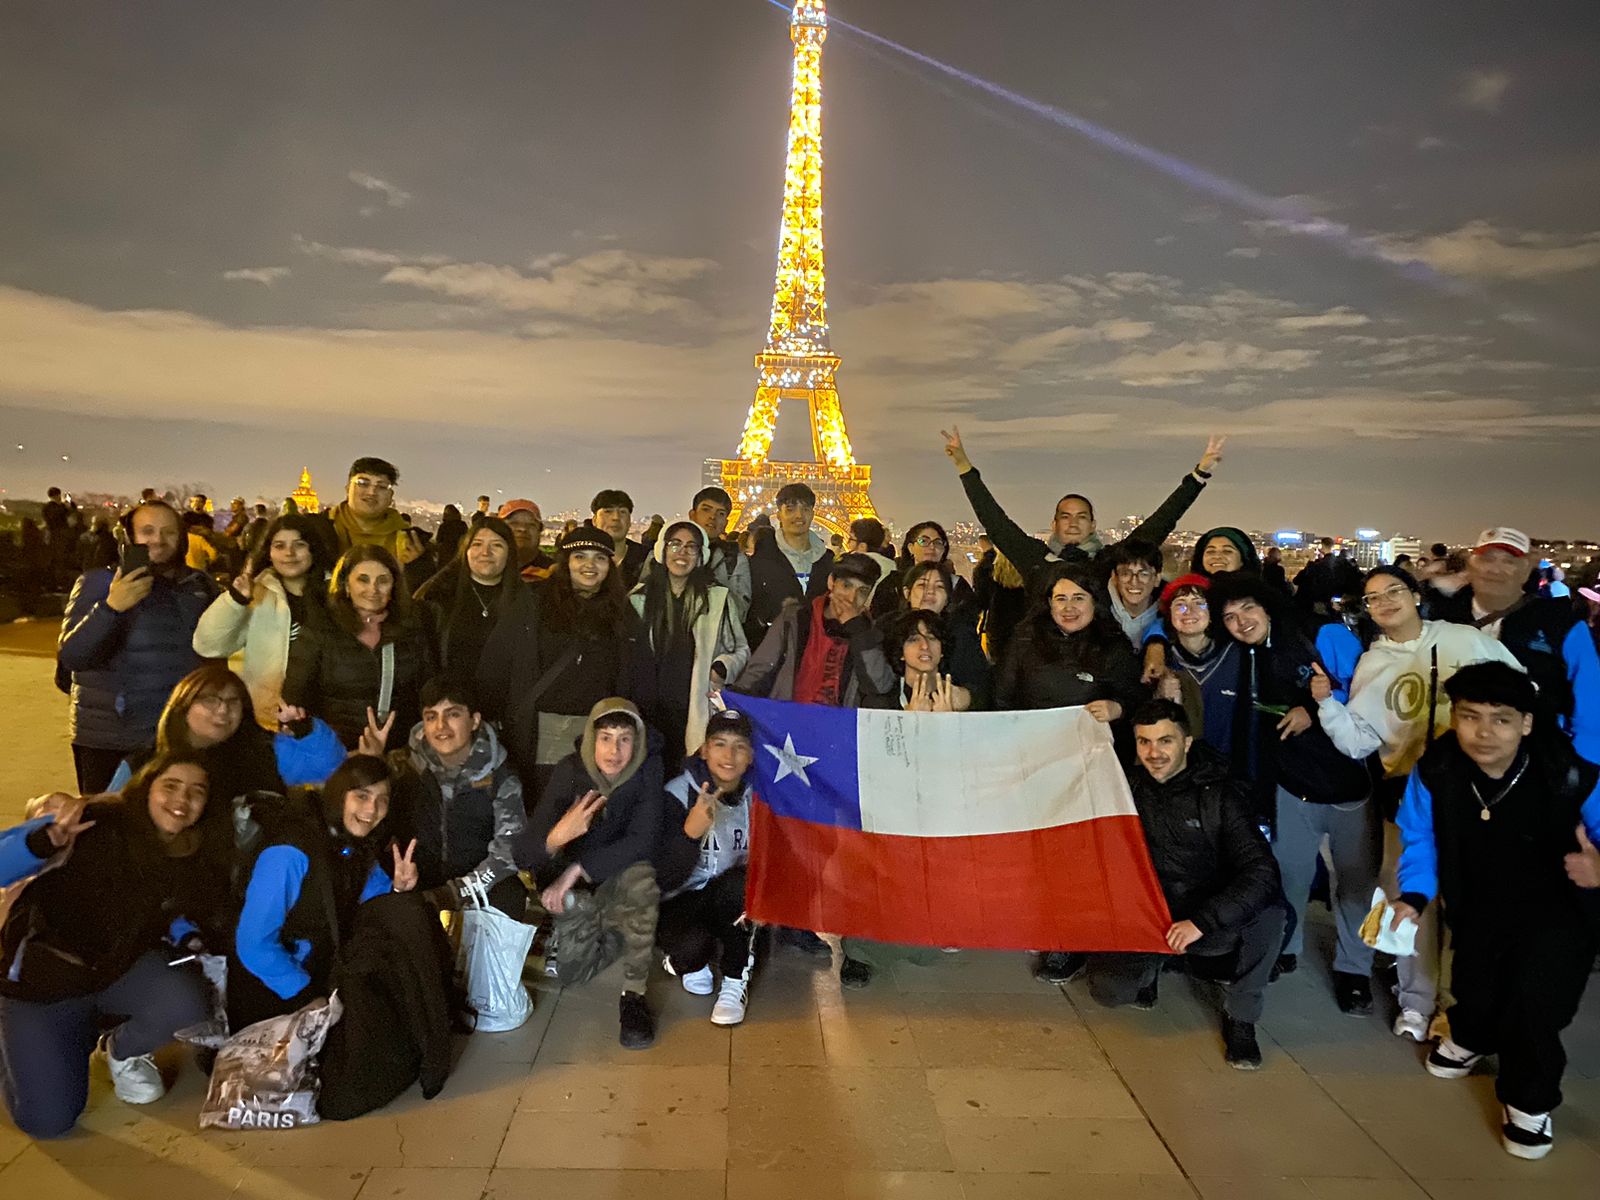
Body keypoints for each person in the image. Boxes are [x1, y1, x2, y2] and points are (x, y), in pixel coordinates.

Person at [1393, 662, 1600, 1161]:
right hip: (1478, 900)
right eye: (1470, 716)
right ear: (1453, 718)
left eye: (1502, 719)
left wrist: (1599, 865)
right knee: (1475, 984)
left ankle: (1529, 1101)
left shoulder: (1569, 771)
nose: (1485, 732)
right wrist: (1415, 895)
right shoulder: (1437, 768)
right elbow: (1419, 835)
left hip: (1558, 910)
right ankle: (1471, 1035)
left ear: (1526, 723)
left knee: (1533, 1003)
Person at [1310, 565, 1523, 1042]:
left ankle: (1461, 1006)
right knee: (1412, 907)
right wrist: (1326, 705)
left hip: (1476, 796)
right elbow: (1359, 741)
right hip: (1406, 801)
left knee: (1469, 906)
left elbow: (1518, 688)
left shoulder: (1464, 640)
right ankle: (1416, 1003)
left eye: (1394, 591)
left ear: (1415, 595)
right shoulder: (1372, 663)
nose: (1385, 602)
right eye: (1373, 598)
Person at [0, 755, 227, 1137]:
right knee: (48, 1122)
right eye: (170, 786)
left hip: (111, 975)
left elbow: (168, 909)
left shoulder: (187, 853)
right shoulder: (94, 820)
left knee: (186, 1000)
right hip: (41, 986)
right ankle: (20, 1039)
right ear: (146, 788)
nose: (182, 799)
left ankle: (118, 1048)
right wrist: (42, 841)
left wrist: (188, 933)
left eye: (196, 791)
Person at [1082, 701, 1286, 1070]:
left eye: (1165, 741)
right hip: (1151, 915)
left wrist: (1203, 922)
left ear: (1187, 743)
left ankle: (1241, 1017)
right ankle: (1154, 967)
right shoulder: (1125, 788)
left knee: (1270, 913)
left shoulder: (1221, 795)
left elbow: (1262, 872)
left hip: (1205, 917)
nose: (1154, 753)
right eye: (1144, 742)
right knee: (1108, 992)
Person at [1208, 573, 1378, 1013]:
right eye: (1229, 616)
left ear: (1267, 606)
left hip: (1350, 787)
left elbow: (1368, 690)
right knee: (1291, 878)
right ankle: (1287, 948)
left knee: (1356, 886)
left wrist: (1315, 707)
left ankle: (1354, 970)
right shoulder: (1247, 655)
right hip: (1293, 787)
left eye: (1247, 608)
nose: (1240, 620)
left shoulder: (1322, 633)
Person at [514, 699, 665, 1048]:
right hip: (577, 889)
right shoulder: (570, 771)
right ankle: (607, 928)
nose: (614, 751)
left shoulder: (647, 769)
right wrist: (558, 837)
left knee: (642, 881)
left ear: (637, 741)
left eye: (624, 739)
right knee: (573, 973)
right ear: (591, 740)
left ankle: (634, 996)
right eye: (606, 738)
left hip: (612, 873)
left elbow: (644, 839)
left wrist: (578, 869)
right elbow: (523, 852)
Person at [228, 755, 417, 1030]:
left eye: (382, 800)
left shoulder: (357, 846)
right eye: (362, 796)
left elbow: (372, 904)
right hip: (273, 987)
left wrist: (399, 888)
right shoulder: (290, 851)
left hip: (322, 973)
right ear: (340, 795)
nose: (372, 809)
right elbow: (253, 943)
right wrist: (304, 995)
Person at [477, 522, 655, 793]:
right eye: (579, 556)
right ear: (566, 561)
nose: (589, 565)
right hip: (538, 734)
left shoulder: (622, 612)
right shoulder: (534, 602)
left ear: (611, 565)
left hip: (598, 737)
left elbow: (638, 674)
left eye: (599, 558)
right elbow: (498, 660)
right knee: (541, 808)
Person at [57, 500, 218, 793]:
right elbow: (73, 656)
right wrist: (111, 608)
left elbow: (214, 657)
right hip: (110, 735)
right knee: (107, 826)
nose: (158, 539)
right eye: (147, 531)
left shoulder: (200, 585)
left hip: (178, 733)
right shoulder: (98, 583)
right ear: (129, 537)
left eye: (168, 532)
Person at [941, 425, 1226, 585]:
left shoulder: (1107, 561)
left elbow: (1160, 523)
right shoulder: (1036, 560)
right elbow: (995, 522)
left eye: (1081, 516)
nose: (1073, 522)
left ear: (1093, 525)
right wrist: (964, 466)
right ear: (1054, 524)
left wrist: (1198, 476)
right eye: (1065, 516)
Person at [1432, 527, 1600, 765]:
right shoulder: (1439, 614)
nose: (1495, 569)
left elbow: (1591, 706)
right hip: (1452, 758)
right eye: (1487, 559)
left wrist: (1582, 771)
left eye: (1509, 561)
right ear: (1472, 565)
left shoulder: (1560, 622)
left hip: (1537, 761)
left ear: (1524, 571)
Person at [656, 708, 759, 1026]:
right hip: (682, 900)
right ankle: (688, 960)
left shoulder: (759, 797)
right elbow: (660, 878)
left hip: (730, 899)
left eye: (739, 746)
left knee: (741, 884)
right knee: (691, 948)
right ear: (704, 749)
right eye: (719, 744)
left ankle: (734, 978)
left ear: (751, 756)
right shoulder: (677, 792)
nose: (729, 756)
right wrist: (690, 834)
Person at [390, 678, 527, 916]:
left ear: (474, 721)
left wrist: (455, 893)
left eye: (452, 715)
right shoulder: (404, 765)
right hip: (416, 877)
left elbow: (507, 853)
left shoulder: (500, 776)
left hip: (475, 881)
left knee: (509, 893)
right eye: (431, 717)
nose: (440, 726)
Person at [282, 544, 434, 750]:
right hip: (336, 754)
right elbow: (295, 698)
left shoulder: (411, 629)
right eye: (363, 580)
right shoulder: (321, 630)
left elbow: (427, 692)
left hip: (399, 750)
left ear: (394, 586)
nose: (373, 589)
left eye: (383, 581)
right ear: (345, 584)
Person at [629, 521, 750, 774]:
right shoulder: (638, 599)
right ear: (662, 550)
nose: (682, 552)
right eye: (675, 544)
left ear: (701, 555)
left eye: (691, 547)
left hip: (693, 708)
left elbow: (740, 650)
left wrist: (721, 667)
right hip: (647, 711)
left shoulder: (717, 599)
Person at [193, 513, 329, 730]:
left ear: (313, 549)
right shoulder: (257, 594)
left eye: (299, 544)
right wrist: (235, 600)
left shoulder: (334, 595)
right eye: (280, 545)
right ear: (269, 552)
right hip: (266, 720)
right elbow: (208, 645)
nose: (289, 553)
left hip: (323, 721)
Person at [107, 664, 284, 805]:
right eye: (210, 700)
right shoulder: (142, 764)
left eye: (233, 702)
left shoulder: (257, 761)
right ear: (184, 706)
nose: (223, 710)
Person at [735, 552, 895, 708]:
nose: (851, 598)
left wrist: (859, 632)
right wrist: (737, 701)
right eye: (846, 586)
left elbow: (879, 686)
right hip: (789, 717)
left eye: (862, 591)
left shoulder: (868, 632)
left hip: (837, 725)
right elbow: (760, 670)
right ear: (831, 582)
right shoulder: (795, 619)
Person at [995, 560, 1144, 720]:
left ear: (1094, 601)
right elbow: (1002, 698)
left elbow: (1138, 700)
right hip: (1033, 737)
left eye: (1078, 598)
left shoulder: (1114, 645)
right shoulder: (1025, 639)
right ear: (1050, 602)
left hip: (1091, 740)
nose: (1069, 607)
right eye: (1061, 599)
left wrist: (1118, 708)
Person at [414, 515, 523, 677]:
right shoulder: (437, 595)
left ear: (509, 553)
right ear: (465, 550)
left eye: (497, 545)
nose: (485, 552)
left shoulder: (525, 600)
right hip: (449, 698)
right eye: (477, 544)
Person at [1152, 574, 1240, 755]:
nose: (1189, 611)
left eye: (1199, 603)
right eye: (1180, 604)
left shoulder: (1236, 654)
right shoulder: (1162, 662)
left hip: (1233, 770)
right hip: (1184, 771)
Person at [887, 561, 992, 708]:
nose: (930, 591)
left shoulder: (960, 634)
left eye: (939, 586)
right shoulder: (886, 628)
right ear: (907, 593)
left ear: (948, 599)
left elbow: (983, 685)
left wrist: (966, 698)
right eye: (922, 585)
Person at [744, 482, 835, 645]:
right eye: (790, 509)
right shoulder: (758, 562)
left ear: (812, 514)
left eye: (805, 509)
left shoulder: (828, 562)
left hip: (814, 656)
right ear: (778, 515)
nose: (799, 515)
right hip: (769, 654)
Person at [312, 456, 409, 562]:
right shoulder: (316, 529)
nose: (371, 492)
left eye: (381, 486)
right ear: (348, 489)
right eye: (363, 484)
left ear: (391, 496)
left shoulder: (411, 540)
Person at [686, 485, 752, 623]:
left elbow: (740, 613)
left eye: (720, 513)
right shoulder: (668, 554)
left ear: (726, 523)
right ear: (692, 515)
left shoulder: (734, 559)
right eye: (706, 509)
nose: (712, 517)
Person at [1105, 539, 1165, 650]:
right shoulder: (1097, 613)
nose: (1134, 582)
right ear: (1114, 577)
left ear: (1157, 579)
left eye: (1143, 574)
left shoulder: (1171, 618)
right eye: (1125, 573)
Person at [590, 488, 649, 588]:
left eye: (622, 512)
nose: (616, 517)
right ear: (594, 520)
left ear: (630, 521)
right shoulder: (582, 558)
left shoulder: (646, 559)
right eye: (608, 511)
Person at [499, 499, 554, 582]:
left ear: (540, 530)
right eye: (513, 523)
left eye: (531, 525)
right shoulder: (485, 567)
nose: (522, 529)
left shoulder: (554, 574)